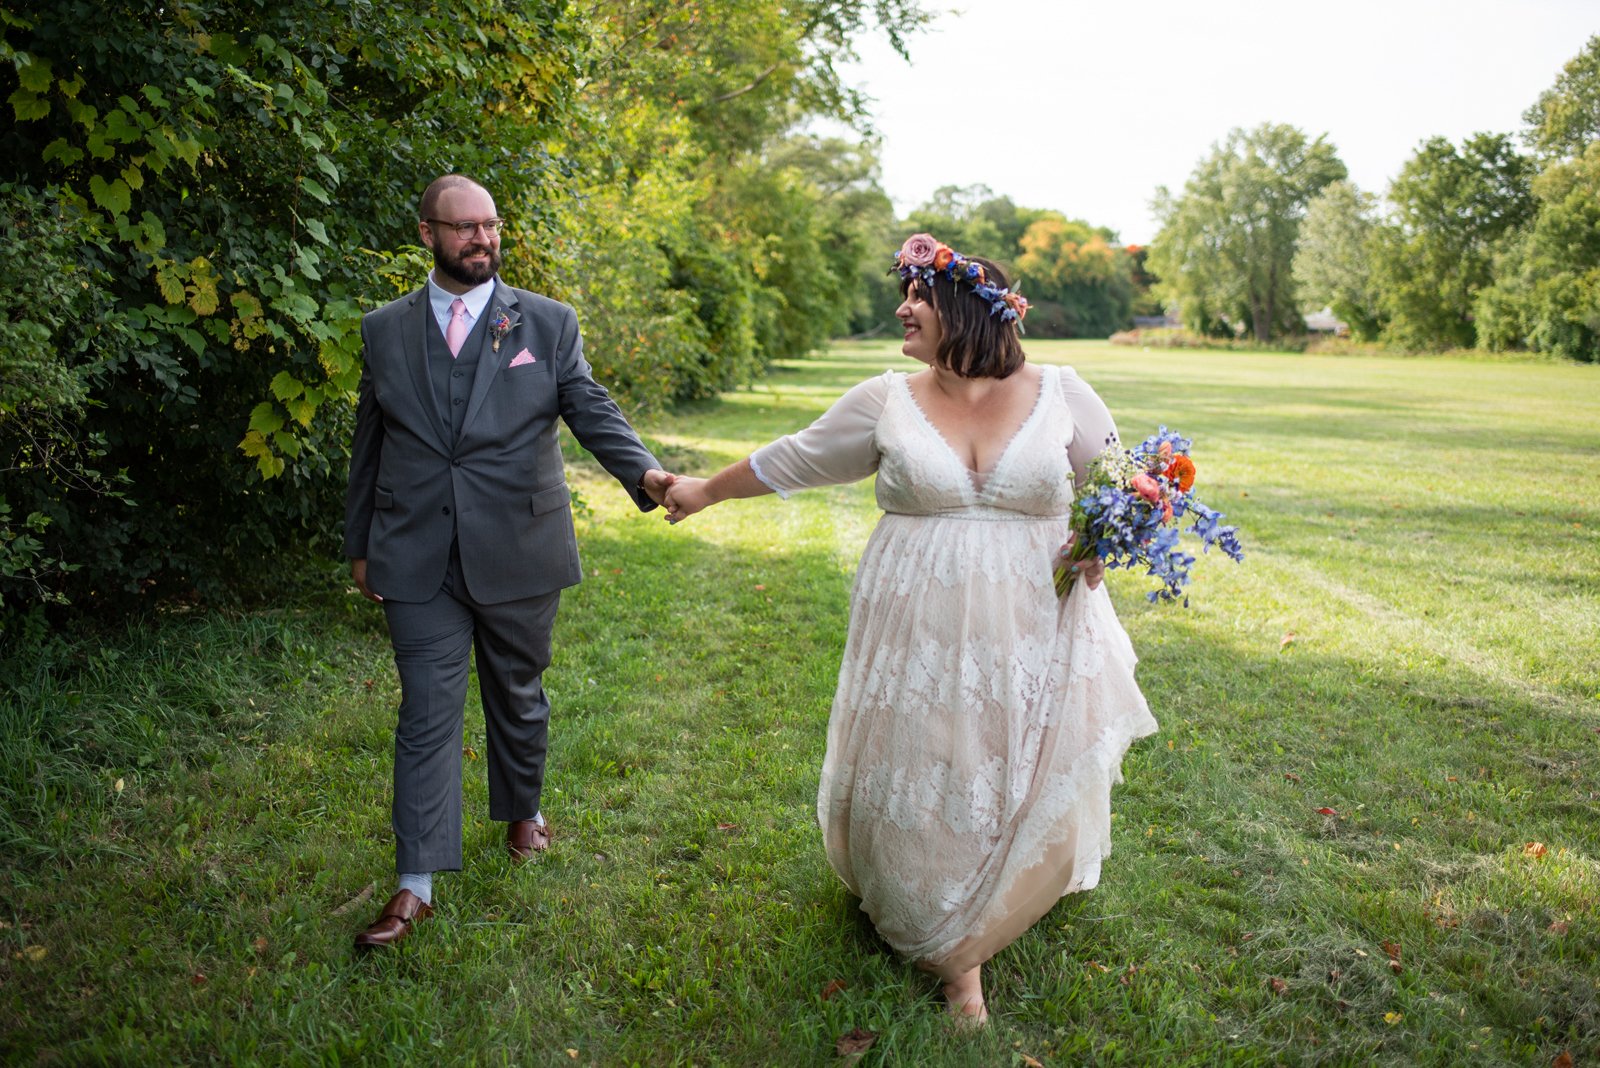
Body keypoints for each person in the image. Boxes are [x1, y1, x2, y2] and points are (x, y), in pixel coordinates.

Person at [661, 234, 1158, 1023]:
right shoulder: (885, 398)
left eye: (916, 297)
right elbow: (794, 458)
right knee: (933, 758)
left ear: (964, 308)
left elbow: (1121, 486)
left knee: (1016, 758)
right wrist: (704, 491)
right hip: (918, 620)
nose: (901, 308)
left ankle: (999, 893)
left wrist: (1103, 542)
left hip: (1036, 618)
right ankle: (953, 952)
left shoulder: (1065, 393)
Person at [343, 174, 675, 949]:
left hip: (520, 546)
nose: (481, 240)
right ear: (427, 233)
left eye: (490, 226)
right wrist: (360, 542)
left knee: (517, 695)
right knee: (425, 713)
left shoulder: (548, 324)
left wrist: (646, 474)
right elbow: (369, 444)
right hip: (416, 548)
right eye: (463, 228)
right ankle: (415, 883)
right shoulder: (384, 330)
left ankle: (521, 808)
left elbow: (590, 407)